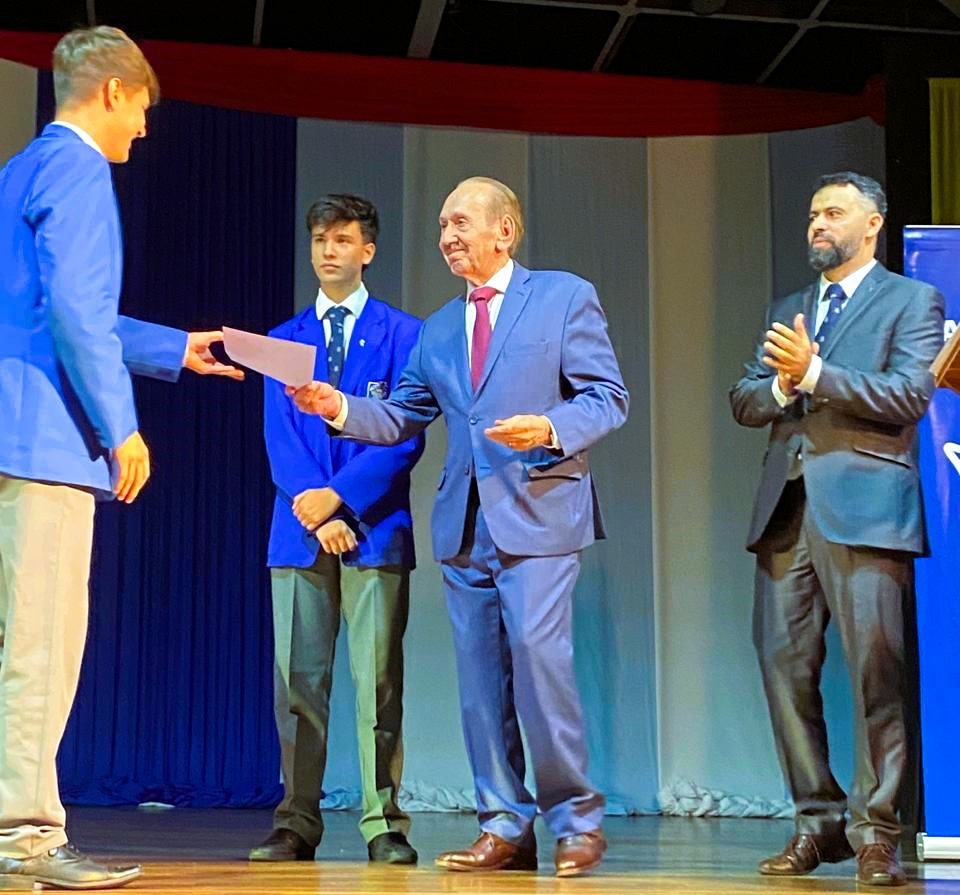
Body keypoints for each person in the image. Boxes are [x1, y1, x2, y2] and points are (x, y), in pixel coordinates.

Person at [289, 176, 628, 877]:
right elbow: (404, 413)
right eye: (443, 224)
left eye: (462, 222)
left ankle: (576, 822)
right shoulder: (441, 327)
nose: (448, 235)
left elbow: (607, 397)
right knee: (481, 686)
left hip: (538, 513)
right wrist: (339, 407)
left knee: (541, 671)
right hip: (464, 529)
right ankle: (504, 823)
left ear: (505, 230)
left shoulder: (563, 296)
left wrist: (552, 426)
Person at [0, 26, 243, 890]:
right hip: (48, 443)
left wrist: (177, 346)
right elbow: (72, 306)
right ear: (112, 92)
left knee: (18, 640)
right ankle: (25, 835)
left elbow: (45, 308)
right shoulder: (78, 168)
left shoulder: (19, 169)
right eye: (142, 108)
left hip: (11, 429)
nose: (143, 128)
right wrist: (121, 426)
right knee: (42, 644)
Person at [730, 172, 944, 888]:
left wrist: (817, 372)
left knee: (873, 672)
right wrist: (784, 386)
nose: (817, 222)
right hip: (787, 508)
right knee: (783, 668)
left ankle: (879, 830)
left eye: (833, 211)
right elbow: (744, 398)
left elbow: (909, 394)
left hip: (867, 507)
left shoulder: (912, 300)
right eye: (813, 211)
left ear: (873, 223)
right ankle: (817, 824)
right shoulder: (790, 306)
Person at [249, 194, 423, 865]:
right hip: (298, 533)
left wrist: (343, 504)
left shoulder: (403, 335)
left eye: (343, 238)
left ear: (368, 250)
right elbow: (281, 438)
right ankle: (296, 819)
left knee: (377, 681)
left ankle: (383, 821)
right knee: (298, 683)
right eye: (320, 237)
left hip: (374, 529)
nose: (328, 250)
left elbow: (403, 434)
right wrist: (317, 511)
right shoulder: (284, 339)